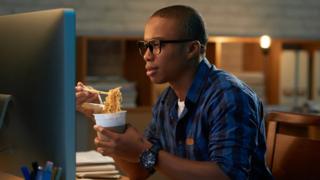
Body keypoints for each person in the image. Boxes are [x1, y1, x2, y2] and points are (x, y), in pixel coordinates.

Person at [76, 5, 273, 180]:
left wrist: (144, 151)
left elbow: (227, 175)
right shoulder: (166, 101)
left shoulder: (229, 96)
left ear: (191, 49)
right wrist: (104, 117)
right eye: (145, 46)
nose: (146, 55)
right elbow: (140, 171)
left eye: (156, 45)